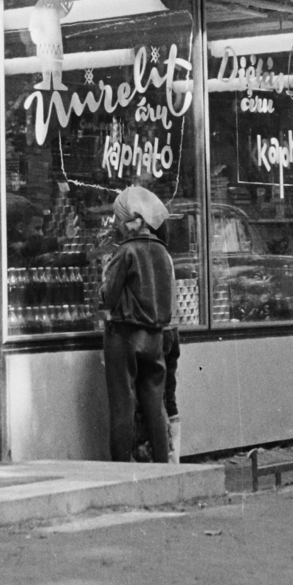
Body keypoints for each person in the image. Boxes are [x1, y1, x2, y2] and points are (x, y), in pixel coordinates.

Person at [100, 184, 174, 462]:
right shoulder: (163, 254)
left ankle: (121, 466)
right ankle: (162, 464)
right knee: (155, 405)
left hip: (124, 334)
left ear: (128, 221)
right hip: (154, 336)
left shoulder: (125, 252)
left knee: (123, 405)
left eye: (118, 220)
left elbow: (108, 296)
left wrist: (103, 274)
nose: (117, 226)